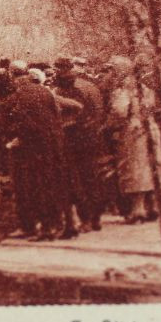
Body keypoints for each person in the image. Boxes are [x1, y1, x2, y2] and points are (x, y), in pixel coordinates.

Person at [5, 66, 72, 240]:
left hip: (34, 148)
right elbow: (56, 115)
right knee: (51, 185)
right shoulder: (45, 92)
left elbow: (25, 123)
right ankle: (57, 225)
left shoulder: (20, 96)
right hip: (53, 145)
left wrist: (18, 138)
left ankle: (43, 228)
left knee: (34, 187)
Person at [54, 57, 107, 233]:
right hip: (92, 137)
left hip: (76, 139)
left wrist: (61, 125)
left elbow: (77, 114)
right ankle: (96, 218)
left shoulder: (70, 88)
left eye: (58, 70)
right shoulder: (89, 85)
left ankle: (86, 218)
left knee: (77, 180)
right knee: (92, 178)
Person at [107, 55, 161, 222]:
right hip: (149, 128)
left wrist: (109, 123)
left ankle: (138, 209)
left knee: (134, 169)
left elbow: (120, 112)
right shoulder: (143, 87)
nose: (111, 73)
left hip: (133, 131)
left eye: (113, 70)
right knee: (151, 166)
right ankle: (152, 205)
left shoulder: (123, 90)